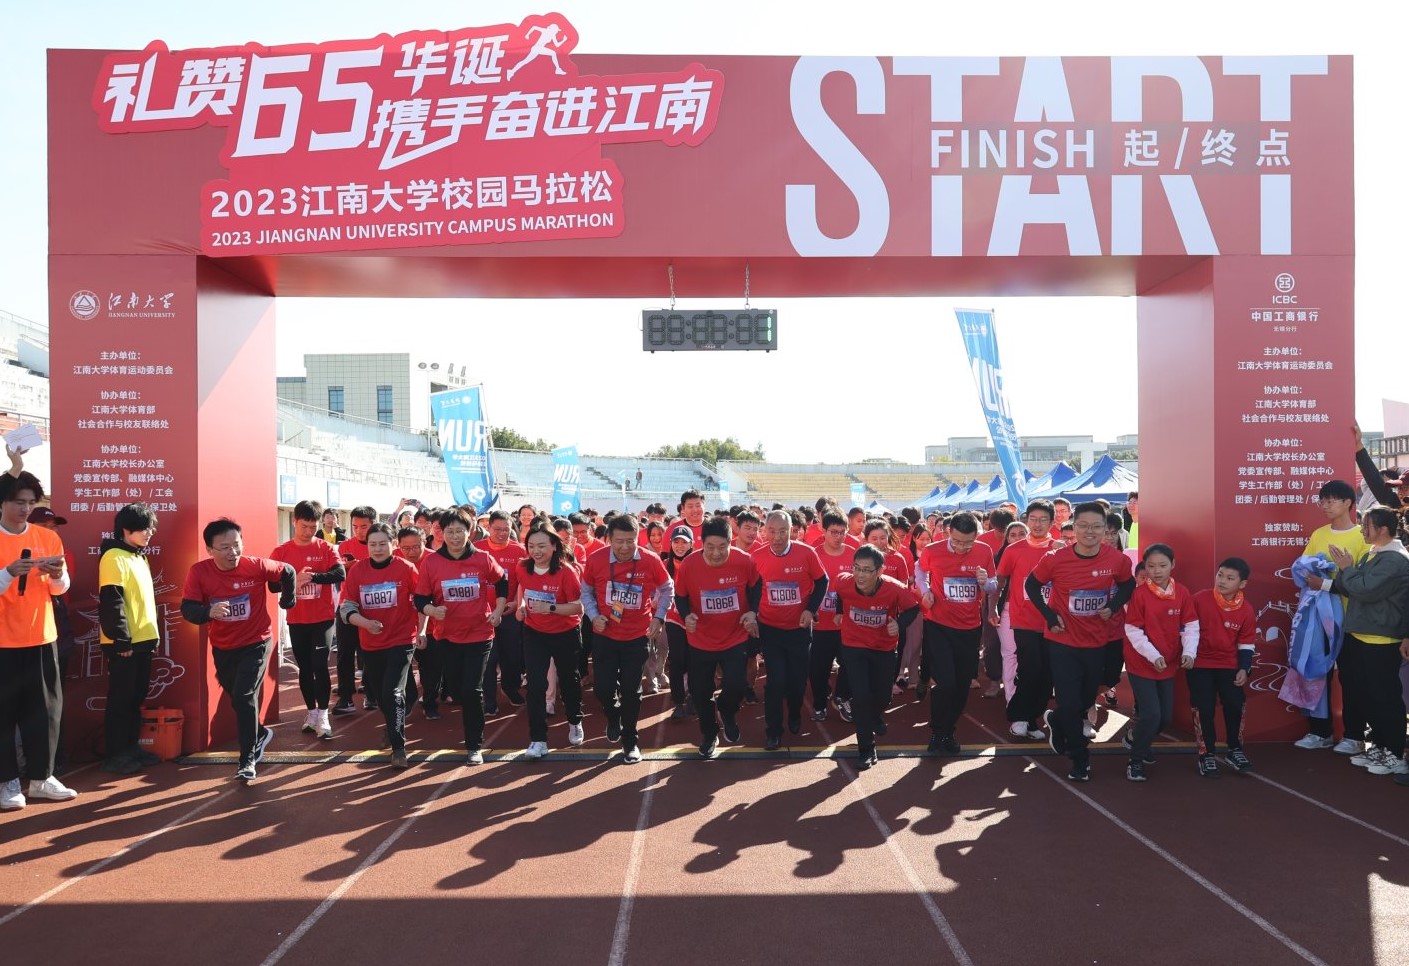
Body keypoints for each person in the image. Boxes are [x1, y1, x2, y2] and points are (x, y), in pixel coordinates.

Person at [1028, 502, 1136, 782]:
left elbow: (1128, 584)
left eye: (1097, 526)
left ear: (1106, 529)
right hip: (1062, 641)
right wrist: (1049, 615)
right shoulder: (1055, 559)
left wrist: (1113, 606)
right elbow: (1032, 585)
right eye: (1084, 526)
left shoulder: (1117, 560)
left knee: (1087, 698)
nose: (1090, 531)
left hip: (1097, 641)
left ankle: (1057, 720)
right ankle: (1079, 758)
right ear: (1074, 527)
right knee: (1068, 699)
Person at [181, 518, 295, 781]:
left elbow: (287, 571)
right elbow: (188, 609)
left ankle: (247, 759)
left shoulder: (255, 565)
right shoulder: (199, 572)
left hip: (257, 641)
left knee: (244, 696)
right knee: (238, 698)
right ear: (210, 550)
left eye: (236, 545)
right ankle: (260, 733)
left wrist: (287, 599)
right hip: (224, 646)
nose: (232, 552)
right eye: (224, 547)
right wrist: (208, 611)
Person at [0, 471, 78, 810]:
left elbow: (60, 589)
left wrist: (58, 575)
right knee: (4, 715)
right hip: (3, 642)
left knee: (45, 712)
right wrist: (8, 573)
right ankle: (6, 782)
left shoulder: (47, 538)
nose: (25, 509)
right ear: (2, 502)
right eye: (19, 502)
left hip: (42, 636)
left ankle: (42, 778)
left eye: (31, 503)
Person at [415, 507, 508, 765]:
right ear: (441, 533)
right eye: (450, 531)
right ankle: (465, 707)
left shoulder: (483, 558)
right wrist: (432, 610)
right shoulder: (432, 562)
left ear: (470, 532)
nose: (455, 537)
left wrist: (498, 610)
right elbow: (420, 598)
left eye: (460, 531)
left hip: (480, 634)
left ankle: (474, 745)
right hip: (447, 636)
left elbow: (502, 581)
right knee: (456, 690)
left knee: (472, 690)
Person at [580, 514, 672, 764]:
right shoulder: (596, 559)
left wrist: (659, 617)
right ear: (609, 539)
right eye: (619, 541)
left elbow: (667, 588)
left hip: (637, 636)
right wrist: (594, 615)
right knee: (603, 689)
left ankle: (630, 741)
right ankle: (613, 716)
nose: (624, 547)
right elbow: (586, 591)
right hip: (605, 635)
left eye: (630, 541)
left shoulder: (650, 560)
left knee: (632, 690)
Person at [1325, 506, 1409, 776]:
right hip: (1362, 634)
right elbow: (1350, 586)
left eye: (1366, 526)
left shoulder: (1395, 559)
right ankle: (1381, 746)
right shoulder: (1374, 554)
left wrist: (1347, 569)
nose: (1362, 530)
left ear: (1382, 529)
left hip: (1382, 638)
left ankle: (1394, 753)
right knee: (1369, 695)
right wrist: (1347, 571)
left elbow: (1364, 589)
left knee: (1385, 697)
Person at [674, 516, 761, 758]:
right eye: (710, 547)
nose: (716, 553)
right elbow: (680, 596)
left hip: (734, 636)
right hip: (701, 639)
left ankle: (727, 710)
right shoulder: (689, 565)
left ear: (731, 542)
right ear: (701, 543)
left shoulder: (744, 561)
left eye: (722, 547)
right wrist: (686, 615)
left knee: (736, 685)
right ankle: (709, 733)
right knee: (700, 692)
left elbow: (757, 586)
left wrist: (753, 611)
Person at [1294, 479, 1368, 752]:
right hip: (1318, 620)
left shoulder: (1362, 537)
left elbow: (1364, 582)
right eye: (1322, 501)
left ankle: (1354, 736)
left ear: (1348, 503)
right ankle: (1319, 732)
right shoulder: (1319, 534)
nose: (1325, 505)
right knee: (1316, 675)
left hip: (1351, 621)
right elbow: (1303, 570)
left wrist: (1331, 579)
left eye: (1331, 500)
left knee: (1352, 678)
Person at [831, 544, 920, 769]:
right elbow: (840, 593)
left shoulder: (895, 588)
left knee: (883, 697)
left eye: (866, 570)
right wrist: (840, 612)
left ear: (880, 571)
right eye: (856, 568)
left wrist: (898, 624)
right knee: (861, 696)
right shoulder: (843, 581)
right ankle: (866, 748)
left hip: (883, 648)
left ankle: (875, 715)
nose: (860, 575)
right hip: (853, 645)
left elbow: (913, 608)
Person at [340, 523, 422, 768]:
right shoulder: (357, 571)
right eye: (373, 544)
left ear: (393, 544)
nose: (377, 549)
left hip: (402, 639)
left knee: (391, 692)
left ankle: (398, 749)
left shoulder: (406, 568)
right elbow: (346, 608)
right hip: (371, 642)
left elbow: (422, 600)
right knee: (380, 695)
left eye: (382, 544)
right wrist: (365, 623)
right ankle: (395, 720)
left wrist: (422, 630)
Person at [916, 512, 995, 755]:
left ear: (976, 536)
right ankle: (937, 731)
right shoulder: (933, 550)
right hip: (939, 625)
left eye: (968, 543)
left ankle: (948, 731)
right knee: (946, 683)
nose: (962, 547)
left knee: (962, 686)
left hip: (969, 628)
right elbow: (920, 571)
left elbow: (993, 585)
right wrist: (925, 591)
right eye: (957, 541)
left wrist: (984, 582)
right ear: (948, 532)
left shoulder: (984, 551)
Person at [1121, 544, 1198, 781]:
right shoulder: (1140, 594)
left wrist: (1190, 652)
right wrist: (1153, 656)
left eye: (1162, 565)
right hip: (1141, 662)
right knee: (1152, 715)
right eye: (1151, 566)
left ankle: (1136, 738)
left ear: (1172, 565)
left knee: (1165, 718)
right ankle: (1135, 760)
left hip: (1168, 663)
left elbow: (1190, 625)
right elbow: (1133, 630)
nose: (1157, 571)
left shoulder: (1182, 593)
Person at [751, 510, 828, 750]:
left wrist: (811, 610)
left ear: (791, 531)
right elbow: (750, 588)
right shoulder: (756, 557)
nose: (777, 537)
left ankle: (795, 713)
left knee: (796, 683)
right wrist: (752, 614)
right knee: (775, 682)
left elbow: (822, 581)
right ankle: (773, 731)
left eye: (783, 531)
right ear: (764, 531)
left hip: (799, 629)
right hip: (770, 629)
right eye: (772, 531)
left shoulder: (806, 553)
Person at [271, 500, 345, 741]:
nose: (308, 531)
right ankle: (311, 712)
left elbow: (340, 573)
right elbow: (272, 585)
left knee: (320, 665)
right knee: (304, 667)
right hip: (297, 618)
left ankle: (323, 714)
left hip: (323, 618)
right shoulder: (281, 552)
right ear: (294, 522)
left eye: (313, 527)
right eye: (304, 526)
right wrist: (294, 580)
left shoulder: (326, 548)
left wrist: (312, 577)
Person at [98, 502, 162, 775]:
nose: (150, 532)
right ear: (127, 529)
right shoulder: (113, 557)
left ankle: (130, 748)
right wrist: (121, 640)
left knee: (135, 698)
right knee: (121, 700)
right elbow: (111, 601)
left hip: (143, 640)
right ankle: (115, 755)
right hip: (124, 643)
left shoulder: (139, 557)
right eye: (145, 528)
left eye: (151, 528)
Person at [514, 523, 586, 759]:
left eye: (542, 546)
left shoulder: (566, 572)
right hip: (535, 632)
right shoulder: (522, 567)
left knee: (569, 680)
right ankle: (538, 739)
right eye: (531, 546)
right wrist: (522, 606)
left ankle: (574, 720)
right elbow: (523, 588)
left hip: (565, 633)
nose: (536, 551)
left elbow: (579, 607)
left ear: (554, 546)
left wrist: (551, 608)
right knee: (535, 685)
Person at [995, 500, 1060, 741]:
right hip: (1023, 620)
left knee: (1047, 675)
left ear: (1052, 523)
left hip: (1054, 622)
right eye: (1033, 519)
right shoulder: (1013, 550)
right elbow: (1000, 581)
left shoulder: (1061, 549)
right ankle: (1020, 717)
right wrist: (993, 608)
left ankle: (1032, 719)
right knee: (1030, 669)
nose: (1038, 524)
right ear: (1026, 519)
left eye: (1043, 520)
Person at [1188, 557, 1258, 777]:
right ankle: (1206, 754)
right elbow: (1186, 629)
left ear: (1242, 584)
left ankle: (1234, 749)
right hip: (1200, 664)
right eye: (1220, 575)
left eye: (1230, 578)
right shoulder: (1199, 599)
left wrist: (1244, 668)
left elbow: (1246, 643)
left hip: (1229, 665)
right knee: (1204, 708)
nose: (1222, 581)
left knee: (1235, 704)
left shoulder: (1246, 609)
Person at [476, 510, 529, 712]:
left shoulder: (520, 551)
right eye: (497, 529)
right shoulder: (477, 549)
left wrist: (516, 603)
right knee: (488, 659)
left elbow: (525, 581)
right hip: (484, 615)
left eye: (506, 529)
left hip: (509, 614)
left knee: (512, 657)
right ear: (488, 528)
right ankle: (489, 700)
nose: (501, 533)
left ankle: (510, 687)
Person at [809, 510, 854, 721]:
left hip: (846, 625)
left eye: (842, 532)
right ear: (823, 531)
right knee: (818, 669)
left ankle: (842, 697)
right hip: (820, 625)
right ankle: (819, 705)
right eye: (834, 532)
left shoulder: (854, 554)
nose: (838, 537)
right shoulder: (813, 554)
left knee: (849, 664)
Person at [332, 505, 377, 715]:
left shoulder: (380, 545)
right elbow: (335, 574)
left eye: (364, 526)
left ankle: (371, 693)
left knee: (370, 652)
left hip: (373, 605)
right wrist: (345, 569)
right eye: (355, 526)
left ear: (373, 524)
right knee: (345, 652)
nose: (359, 531)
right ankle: (345, 697)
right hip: (347, 605)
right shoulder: (343, 546)